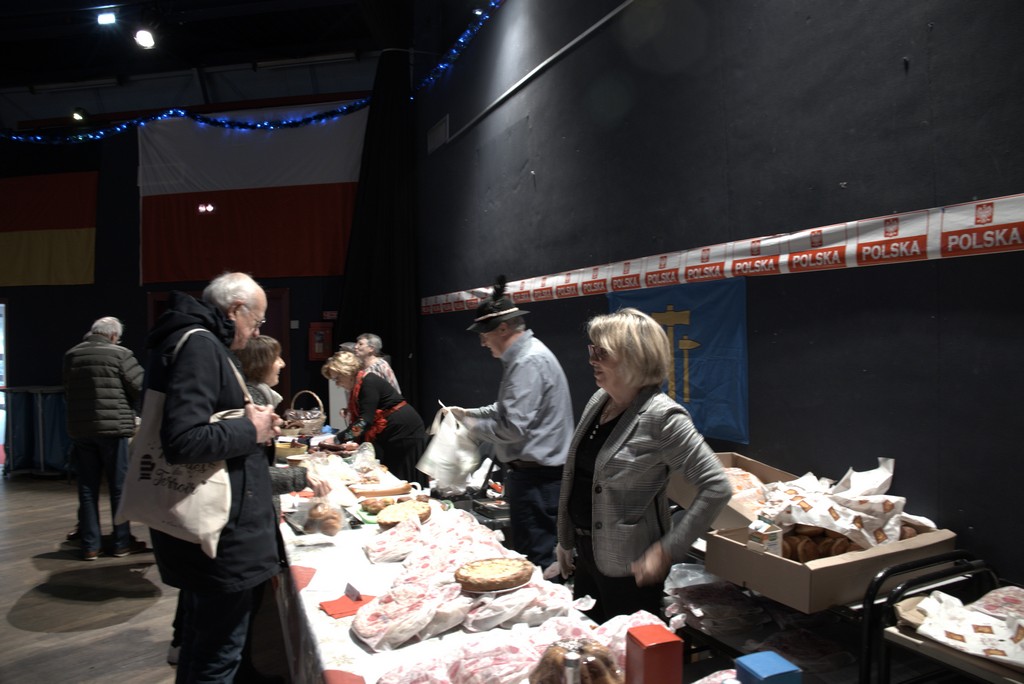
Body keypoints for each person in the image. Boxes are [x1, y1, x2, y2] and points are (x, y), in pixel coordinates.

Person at [143, 271, 283, 682]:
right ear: (236, 309)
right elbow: (184, 440)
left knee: (206, 642)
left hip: (217, 532)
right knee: (215, 654)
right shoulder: (200, 345)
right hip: (221, 535)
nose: (257, 331)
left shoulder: (193, 340)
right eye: (257, 321)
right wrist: (252, 430)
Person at [555, 307, 732, 624]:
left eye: (602, 352)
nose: (592, 360)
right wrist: (566, 540)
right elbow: (578, 478)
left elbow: (717, 486)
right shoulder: (599, 400)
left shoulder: (663, 417)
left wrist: (667, 550)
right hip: (587, 553)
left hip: (630, 567)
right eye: (592, 350)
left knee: (629, 652)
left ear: (634, 357)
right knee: (589, 645)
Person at [446, 275, 574, 570]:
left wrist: (470, 427)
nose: (482, 342)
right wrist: (470, 413)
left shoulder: (528, 361)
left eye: (484, 334)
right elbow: (506, 410)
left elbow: (513, 428)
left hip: (540, 479)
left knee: (537, 561)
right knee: (533, 555)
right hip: (535, 477)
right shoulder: (525, 357)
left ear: (503, 328)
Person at [62, 316, 144, 560]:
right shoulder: (121, 354)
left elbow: (67, 390)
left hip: (82, 429)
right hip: (113, 430)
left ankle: (90, 546)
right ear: (113, 336)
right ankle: (121, 543)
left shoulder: (72, 355)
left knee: (87, 489)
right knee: (119, 488)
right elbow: (140, 386)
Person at [322, 350, 427, 485]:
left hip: (404, 431)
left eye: (337, 378)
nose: (337, 384)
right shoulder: (360, 384)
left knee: (402, 476)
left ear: (346, 372)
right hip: (393, 430)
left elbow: (364, 422)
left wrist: (337, 439)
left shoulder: (368, 382)